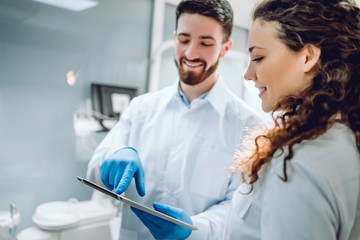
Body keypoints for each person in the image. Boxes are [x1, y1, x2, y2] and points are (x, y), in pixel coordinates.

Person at [131, 0, 360, 239]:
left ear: (307, 57)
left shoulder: (299, 159)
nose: (248, 74)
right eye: (184, 39)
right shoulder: (342, 136)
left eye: (259, 57)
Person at [86, 0, 262, 239]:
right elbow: (95, 170)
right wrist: (110, 160)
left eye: (205, 42)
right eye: (184, 39)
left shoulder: (248, 126)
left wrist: (194, 228)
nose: (191, 53)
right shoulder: (141, 108)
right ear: (174, 37)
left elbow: (240, 210)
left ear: (225, 47)